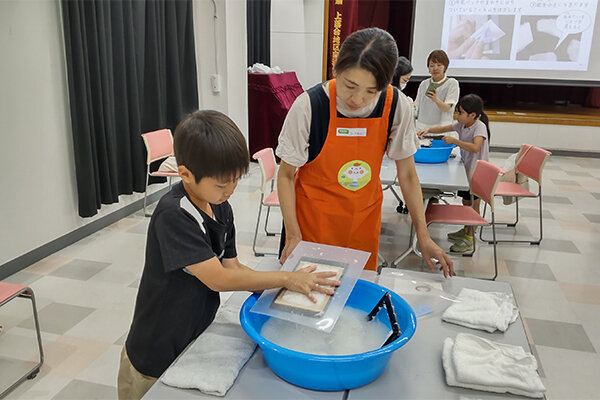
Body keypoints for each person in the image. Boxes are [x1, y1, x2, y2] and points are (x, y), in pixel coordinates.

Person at [118, 110, 340, 400]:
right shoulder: (174, 215)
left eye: (235, 180)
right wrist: (286, 278)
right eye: (222, 184)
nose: (230, 190)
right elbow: (218, 279)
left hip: (191, 337)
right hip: (155, 351)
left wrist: (281, 289)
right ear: (185, 174)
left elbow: (232, 265)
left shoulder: (220, 206)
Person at [276, 27, 453, 276]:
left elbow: (408, 174)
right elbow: (285, 175)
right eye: (350, 86)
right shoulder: (310, 106)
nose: (357, 99)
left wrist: (422, 236)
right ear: (336, 69)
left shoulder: (396, 106)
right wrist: (293, 235)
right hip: (312, 224)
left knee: (355, 299)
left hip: (362, 222)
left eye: (371, 91)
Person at [417, 94, 490, 253]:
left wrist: (455, 142)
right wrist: (428, 130)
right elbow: (444, 128)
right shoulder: (461, 124)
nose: (458, 116)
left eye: (461, 113)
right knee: (466, 202)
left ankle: (470, 238)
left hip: (478, 173)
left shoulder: (479, 127)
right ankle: (465, 230)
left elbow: (475, 147)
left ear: (472, 115)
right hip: (467, 170)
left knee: (473, 205)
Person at [414, 50, 460, 131]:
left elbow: (446, 108)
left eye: (439, 65)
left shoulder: (452, 83)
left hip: (441, 129)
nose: (435, 68)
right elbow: (416, 106)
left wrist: (435, 99)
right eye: (432, 65)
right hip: (421, 129)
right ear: (428, 68)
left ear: (445, 66)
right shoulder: (424, 84)